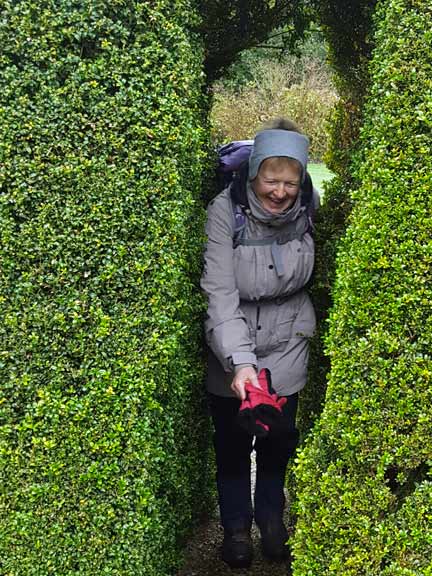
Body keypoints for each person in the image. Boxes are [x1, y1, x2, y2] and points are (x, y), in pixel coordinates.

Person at [200, 119, 318, 569]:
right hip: (231, 340)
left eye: (290, 181)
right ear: (253, 174)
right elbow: (219, 292)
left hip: (288, 340)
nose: (280, 191)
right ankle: (235, 531)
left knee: (278, 440)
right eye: (271, 179)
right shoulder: (224, 211)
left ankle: (272, 523)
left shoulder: (309, 205)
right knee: (232, 446)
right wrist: (239, 365)